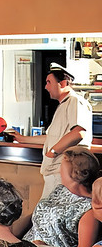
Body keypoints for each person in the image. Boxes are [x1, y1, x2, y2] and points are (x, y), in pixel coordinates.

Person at [9, 64, 93, 200]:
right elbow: (51, 137)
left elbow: (79, 132)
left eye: (49, 82)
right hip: (55, 170)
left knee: (48, 213)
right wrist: (23, 139)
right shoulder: (64, 104)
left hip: (64, 170)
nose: (46, 87)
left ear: (63, 83)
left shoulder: (75, 102)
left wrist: (52, 152)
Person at [21, 145, 100, 247]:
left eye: (62, 166)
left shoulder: (89, 209)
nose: (59, 171)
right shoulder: (60, 190)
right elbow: (37, 215)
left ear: (75, 173)